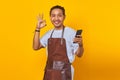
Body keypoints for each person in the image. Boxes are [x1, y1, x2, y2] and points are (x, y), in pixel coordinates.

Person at [33, 5, 84, 80]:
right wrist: (37, 29)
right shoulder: (48, 34)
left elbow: (79, 54)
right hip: (50, 72)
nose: (56, 18)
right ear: (50, 17)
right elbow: (35, 47)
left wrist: (80, 45)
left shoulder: (71, 33)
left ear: (64, 17)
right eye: (53, 16)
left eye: (59, 15)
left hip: (65, 72)